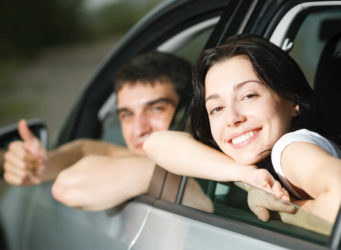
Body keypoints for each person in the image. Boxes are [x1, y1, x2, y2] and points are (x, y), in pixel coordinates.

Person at [144, 34, 341, 240]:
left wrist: (278, 209)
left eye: (248, 96)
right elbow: (156, 143)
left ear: (292, 100)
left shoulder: (291, 149)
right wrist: (245, 175)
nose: (232, 118)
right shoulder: (262, 157)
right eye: (216, 108)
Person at [2, 51, 212, 212]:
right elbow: (85, 149)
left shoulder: (215, 166)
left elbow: (66, 188)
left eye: (156, 108)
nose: (139, 129)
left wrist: (150, 173)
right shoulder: (142, 158)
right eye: (127, 114)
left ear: (192, 111)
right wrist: (42, 164)